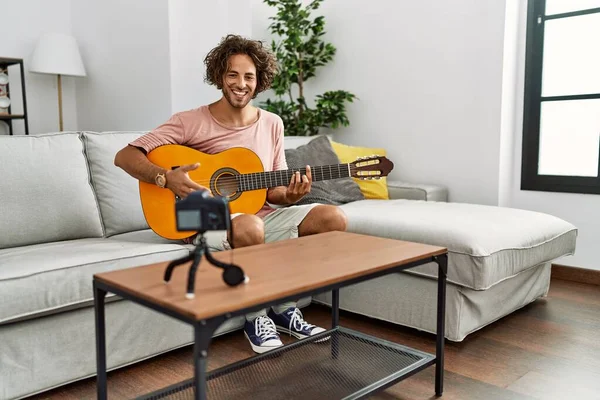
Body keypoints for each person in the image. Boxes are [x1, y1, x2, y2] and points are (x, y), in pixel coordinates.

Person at [114, 34, 348, 354]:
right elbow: (124, 157)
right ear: (220, 78)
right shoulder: (189, 121)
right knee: (251, 225)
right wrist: (165, 179)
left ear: (259, 81)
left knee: (332, 218)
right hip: (205, 219)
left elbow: (274, 191)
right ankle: (255, 318)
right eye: (232, 75)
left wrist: (291, 196)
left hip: (256, 218)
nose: (241, 84)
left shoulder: (272, 124)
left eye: (249, 76)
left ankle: (285, 308)